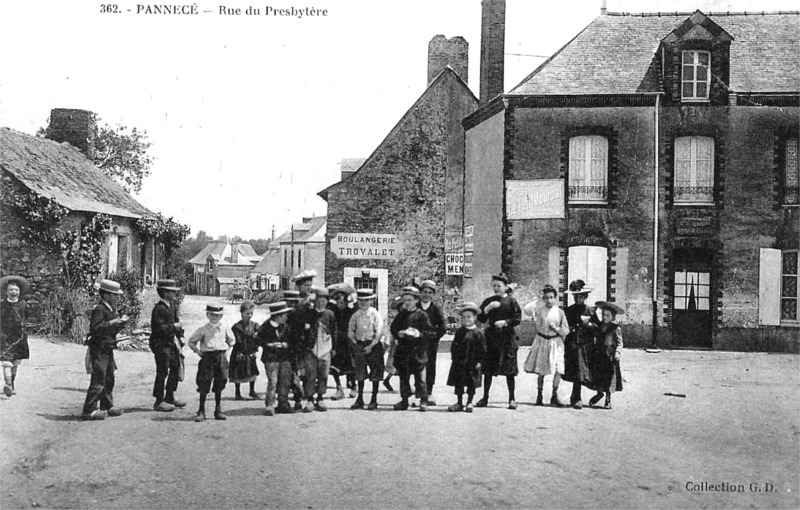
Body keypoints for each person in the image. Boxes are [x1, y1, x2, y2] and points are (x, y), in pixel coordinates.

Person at [81, 279, 128, 420]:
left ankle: (107, 405)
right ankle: (89, 409)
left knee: (109, 378)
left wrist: (120, 324)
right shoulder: (99, 309)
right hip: (99, 348)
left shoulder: (110, 309)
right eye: (115, 295)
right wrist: (112, 322)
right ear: (107, 295)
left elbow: (110, 328)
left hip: (108, 347)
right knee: (98, 378)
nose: (117, 298)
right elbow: (95, 328)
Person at [476, 274, 522, 410]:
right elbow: (481, 318)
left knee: (510, 369)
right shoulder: (489, 301)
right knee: (488, 370)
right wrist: (487, 309)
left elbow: (517, 318)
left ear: (506, 287)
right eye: (494, 285)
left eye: (499, 286)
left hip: (507, 339)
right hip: (492, 338)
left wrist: (506, 322)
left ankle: (512, 399)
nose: (496, 288)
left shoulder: (511, 301)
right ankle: (485, 397)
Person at [523, 285, 570, 406]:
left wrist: (557, 328)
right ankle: (539, 395)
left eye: (551, 297)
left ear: (555, 298)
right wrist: (538, 300)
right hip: (542, 341)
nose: (549, 300)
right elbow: (527, 310)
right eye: (546, 298)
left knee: (558, 369)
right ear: (543, 299)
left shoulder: (560, 312)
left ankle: (554, 395)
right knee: (541, 369)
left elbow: (566, 330)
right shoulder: (539, 310)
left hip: (556, 342)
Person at [187, 304, 235, 422]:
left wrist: (226, 350)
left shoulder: (224, 328)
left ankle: (218, 410)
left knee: (220, 381)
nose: (214, 317)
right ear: (207, 315)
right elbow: (191, 341)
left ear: (221, 316)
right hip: (207, 358)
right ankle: (201, 411)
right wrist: (198, 352)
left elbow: (232, 340)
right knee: (204, 382)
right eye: (212, 314)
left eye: (217, 315)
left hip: (220, 357)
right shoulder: (203, 329)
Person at [390, 286, 433, 412]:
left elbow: (430, 332)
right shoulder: (401, 315)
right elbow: (393, 328)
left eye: (409, 300)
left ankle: (423, 400)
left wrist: (419, 334)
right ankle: (404, 400)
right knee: (404, 377)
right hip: (403, 351)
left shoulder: (422, 315)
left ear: (416, 300)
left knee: (420, 378)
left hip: (418, 351)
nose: (407, 303)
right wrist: (399, 333)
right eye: (405, 300)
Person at [295, 286, 334, 412]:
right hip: (310, 349)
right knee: (310, 375)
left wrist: (334, 349)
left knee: (323, 374)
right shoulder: (309, 314)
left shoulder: (329, 314)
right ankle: (310, 399)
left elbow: (335, 331)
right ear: (315, 300)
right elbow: (302, 330)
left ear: (327, 301)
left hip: (325, 348)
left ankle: (320, 398)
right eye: (319, 299)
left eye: (324, 299)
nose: (321, 302)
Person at [148, 279, 185, 412]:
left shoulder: (172, 306)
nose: (175, 294)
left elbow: (177, 322)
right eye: (172, 292)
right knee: (162, 371)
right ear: (164, 293)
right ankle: (159, 401)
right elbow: (159, 328)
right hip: (160, 344)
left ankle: (170, 396)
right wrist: (173, 327)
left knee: (175, 368)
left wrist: (181, 335)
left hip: (171, 343)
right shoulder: (159, 308)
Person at [562, 280, 598, 409]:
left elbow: (596, 326)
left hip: (586, 344)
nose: (578, 299)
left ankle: (599, 394)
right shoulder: (569, 310)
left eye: (581, 296)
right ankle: (576, 398)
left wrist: (588, 324)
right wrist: (572, 327)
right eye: (576, 296)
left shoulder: (590, 310)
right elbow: (565, 325)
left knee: (587, 371)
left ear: (586, 297)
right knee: (576, 371)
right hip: (574, 344)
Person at [347, 289, 385, 410]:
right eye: (361, 300)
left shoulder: (375, 314)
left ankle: (373, 399)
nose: (364, 303)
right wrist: (356, 344)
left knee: (375, 373)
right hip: (359, 345)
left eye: (366, 300)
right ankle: (360, 399)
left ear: (371, 300)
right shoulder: (355, 315)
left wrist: (371, 345)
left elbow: (379, 332)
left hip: (373, 346)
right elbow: (350, 331)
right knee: (360, 373)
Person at [446, 302, 486, 413]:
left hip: (472, 362)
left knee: (471, 383)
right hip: (460, 362)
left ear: (475, 318)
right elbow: (454, 346)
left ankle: (469, 402)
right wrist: (454, 358)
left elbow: (482, 349)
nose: (466, 319)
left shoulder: (478, 333)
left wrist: (479, 361)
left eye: (469, 317)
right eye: (463, 317)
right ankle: (459, 402)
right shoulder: (460, 332)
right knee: (459, 382)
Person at [256, 301, 294, 415]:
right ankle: (269, 404)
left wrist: (286, 344)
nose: (287, 317)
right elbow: (258, 339)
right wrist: (269, 344)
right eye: (285, 315)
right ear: (278, 316)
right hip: (271, 358)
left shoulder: (286, 327)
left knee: (285, 381)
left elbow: (292, 340)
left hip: (284, 357)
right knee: (272, 381)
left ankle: (283, 403)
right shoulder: (266, 327)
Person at [283, 288, 315, 411]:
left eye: (294, 303)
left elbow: (309, 332)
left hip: (303, 348)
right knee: (293, 376)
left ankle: (310, 400)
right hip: (289, 350)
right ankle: (297, 400)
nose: (291, 305)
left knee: (307, 375)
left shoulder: (302, 315)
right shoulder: (283, 316)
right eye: (289, 302)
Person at [589, 301, 625, 409]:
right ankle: (599, 393)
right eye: (603, 314)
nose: (604, 317)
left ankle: (608, 399)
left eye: (607, 315)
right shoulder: (599, 326)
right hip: (599, 354)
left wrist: (617, 352)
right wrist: (593, 313)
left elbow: (620, 342)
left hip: (610, 355)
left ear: (613, 317)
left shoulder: (615, 328)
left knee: (609, 377)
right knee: (598, 375)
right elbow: (593, 321)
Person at [0, 275, 30, 397]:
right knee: (6, 361)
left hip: (19, 337)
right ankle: (7, 384)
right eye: (11, 290)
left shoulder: (23, 305)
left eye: (16, 290)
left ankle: (12, 383)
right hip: (5, 336)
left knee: (15, 361)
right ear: (6, 291)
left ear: (19, 292)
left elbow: (26, 317)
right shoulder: (2, 305)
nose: (13, 292)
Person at [418, 280, 447, 406]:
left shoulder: (435, 309)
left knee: (430, 367)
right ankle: (418, 393)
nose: (427, 295)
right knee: (417, 367)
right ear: (420, 293)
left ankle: (429, 392)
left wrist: (434, 337)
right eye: (424, 292)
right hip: (416, 343)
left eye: (430, 293)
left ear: (433, 295)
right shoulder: (416, 307)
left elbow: (442, 327)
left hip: (430, 343)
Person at [327, 283, 356, 400]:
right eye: (337, 298)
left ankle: (353, 387)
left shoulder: (352, 310)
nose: (340, 301)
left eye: (342, 298)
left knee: (351, 365)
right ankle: (339, 389)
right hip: (336, 341)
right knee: (334, 366)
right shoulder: (332, 309)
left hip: (349, 341)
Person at [229, 300, 260, 400]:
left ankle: (252, 391)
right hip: (239, 351)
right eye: (247, 313)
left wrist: (255, 350)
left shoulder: (255, 325)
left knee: (252, 371)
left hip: (250, 351)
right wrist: (239, 352)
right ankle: (237, 393)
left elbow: (258, 340)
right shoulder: (236, 327)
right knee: (237, 372)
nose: (249, 315)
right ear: (241, 313)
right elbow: (237, 341)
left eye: (251, 313)